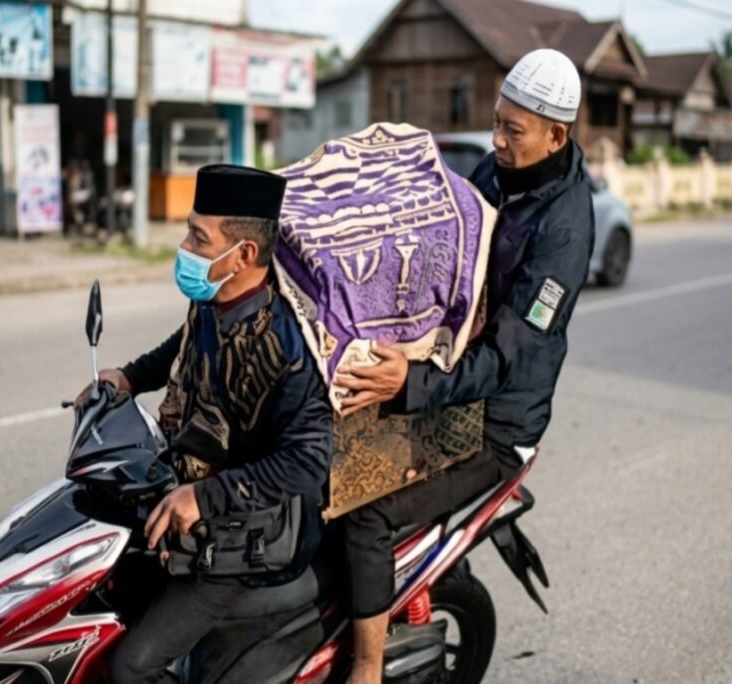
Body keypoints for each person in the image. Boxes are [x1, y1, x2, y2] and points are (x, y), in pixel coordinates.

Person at [332, 49, 596, 684]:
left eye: (513, 130)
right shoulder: (498, 173)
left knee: (365, 509)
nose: (498, 139)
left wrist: (409, 383)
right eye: (497, 122)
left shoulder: (563, 233)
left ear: (556, 136)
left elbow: (508, 355)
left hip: (493, 424)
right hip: (444, 389)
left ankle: (365, 669)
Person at [81, 164, 333, 684]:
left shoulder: (289, 346)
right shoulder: (213, 300)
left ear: (243, 254)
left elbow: (308, 459)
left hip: (247, 532)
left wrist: (205, 497)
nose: (184, 247)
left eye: (199, 237)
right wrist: (129, 377)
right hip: (190, 490)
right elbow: (183, 346)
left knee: (131, 668)